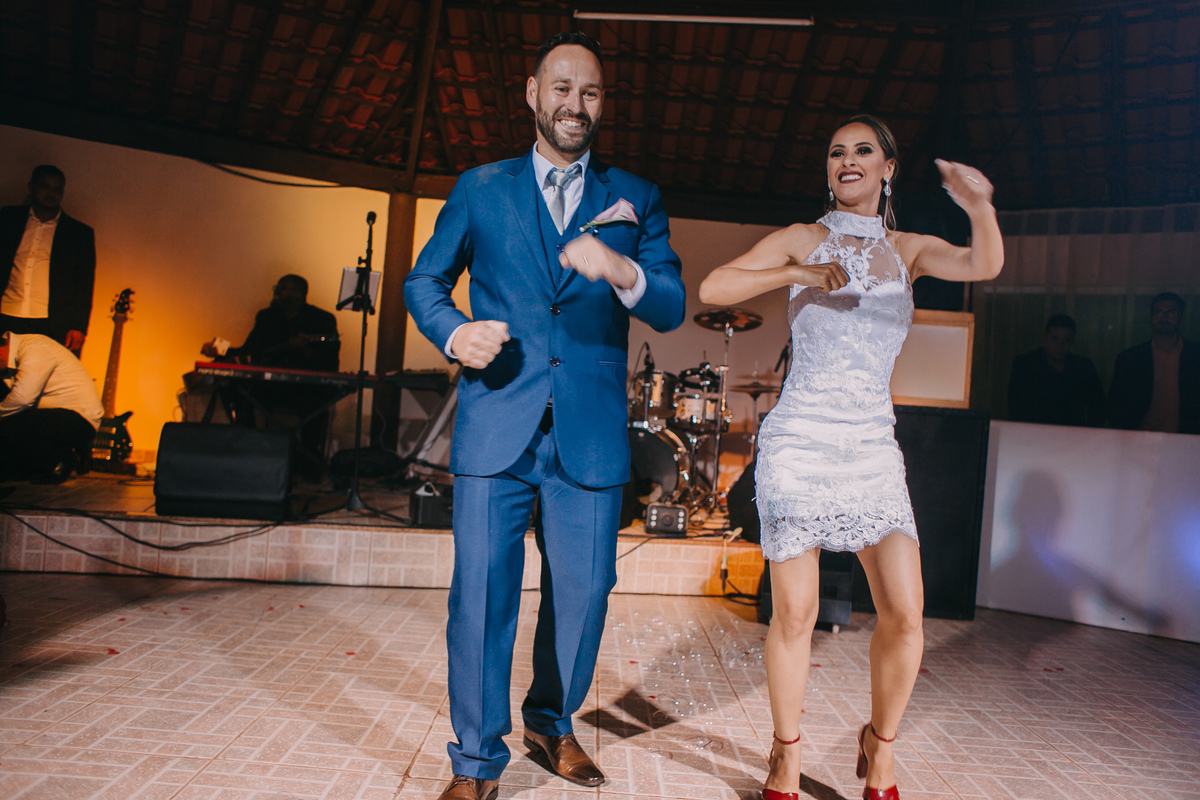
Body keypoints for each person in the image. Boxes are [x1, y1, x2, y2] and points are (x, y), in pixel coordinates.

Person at [404, 31, 686, 800]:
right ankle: (474, 762)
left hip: (588, 436)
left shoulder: (636, 196)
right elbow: (424, 282)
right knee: (481, 596)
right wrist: (454, 333)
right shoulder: (480, 188)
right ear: (533, 94)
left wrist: (621, 267)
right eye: (561, 88)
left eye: (589, 92)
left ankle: (551, 722)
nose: (575, 104)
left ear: (602, 103)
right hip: (497, 421)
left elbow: (669, 303)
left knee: (585, 595)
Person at [698, 115, 1003, 800]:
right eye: (837, 151)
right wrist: (796, 271)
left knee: (906, 614)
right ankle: (784, 755)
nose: (848, 160)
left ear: (888, 168)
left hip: (870, 446)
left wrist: (979, 206)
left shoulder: (910, 250)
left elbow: (983, 264)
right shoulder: (803, 237)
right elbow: (714, 288)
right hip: (799, 440)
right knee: (795, 613)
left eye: (863, 150)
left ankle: (880, 749)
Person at [200, 274, 340, 475]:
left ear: (299, 294)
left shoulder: (321, 319)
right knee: (235, 390)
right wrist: (219, 351)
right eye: (278, 288)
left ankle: (309, 463)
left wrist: (303, 349)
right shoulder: (267, 317)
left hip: (306, 389)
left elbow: (329, 362)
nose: (277, 293)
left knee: (318, 404)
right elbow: (250, 351)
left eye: (283, 289)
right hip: (270, 388)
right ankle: (251, 451)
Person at [0, 165, 97, 355]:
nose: (51, 194)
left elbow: (84, 284)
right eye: (45, 187)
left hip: (51, 321)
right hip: (7, 312)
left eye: (57, 189)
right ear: (32, 187)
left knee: (46, 372)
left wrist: (79, 326)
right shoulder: (9, 218)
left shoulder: (78, 233)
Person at [0, 330, 104, 483]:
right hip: (52, 419)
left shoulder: (34, 347)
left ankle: (60, 459)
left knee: (8, 426)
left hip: (79, 420)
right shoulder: (11, 359)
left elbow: (23, 399)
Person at [1108, 292, 1200, 434]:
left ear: (1181, 319)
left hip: (1188, 437)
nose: (1164, 317)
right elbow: (1116, 403)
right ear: (1150, 318)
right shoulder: (1130, 358)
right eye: (1158, 312)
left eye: (1172, 312)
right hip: (1140, 436)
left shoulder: (1196, 355)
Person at [1007, 314, 1104, 426]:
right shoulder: (1026, 364)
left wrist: (1088, 433)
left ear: (1072, 342)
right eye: (1055, 339)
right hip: (1033, 432)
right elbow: (1015, 407)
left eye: (1066, 340)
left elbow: (1097, 406)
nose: (1060, 345)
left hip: (1073, 433)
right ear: (1045, 338)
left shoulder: (1083, 367)